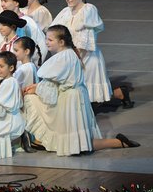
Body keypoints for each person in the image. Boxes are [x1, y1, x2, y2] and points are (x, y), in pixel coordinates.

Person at [23, 25, 140, 156]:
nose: (46, 42)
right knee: (82, 142)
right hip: (75, 97)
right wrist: (38, 87)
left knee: (80, 143)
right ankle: (118, 142)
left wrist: (37, 89)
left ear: (61, 42)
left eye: (50, 40)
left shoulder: (63, 57)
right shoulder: (68, 54)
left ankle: (118, 142)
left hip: (71, 100)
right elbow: (54, 83)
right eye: (46, 39)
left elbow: (50, 90)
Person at [50, 0, 132, 108]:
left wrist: (73, 62)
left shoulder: (88, 10)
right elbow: (54, 32)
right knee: (82, 96)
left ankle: (121, 93)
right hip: (71, 58)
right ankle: (120, 92)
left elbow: (84, 42)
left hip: (86, 59)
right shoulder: (65, 12)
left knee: (91, 96)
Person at [0, 0, 47, 67]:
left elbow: (41, 46)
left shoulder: (28, 23)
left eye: (5, 1)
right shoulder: (2, 21)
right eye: (1, 1)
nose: (2, 4)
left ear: (16, 3)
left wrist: (31, 67)